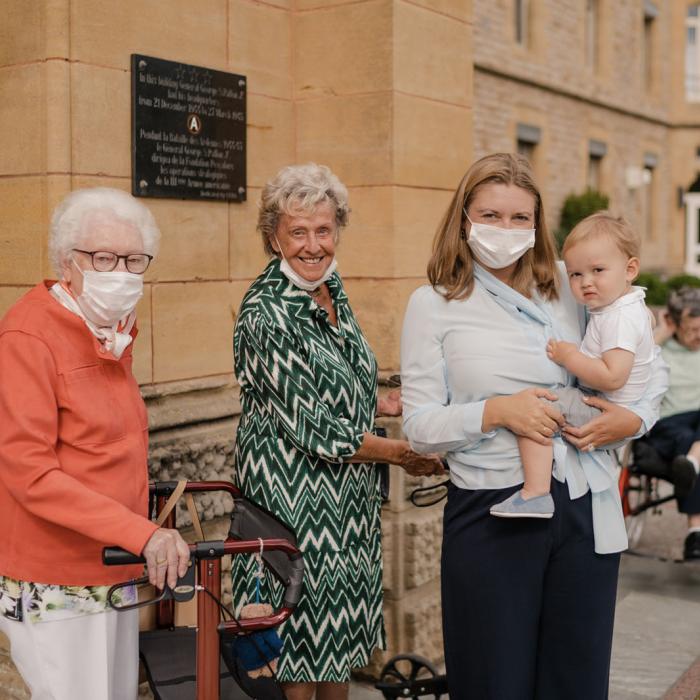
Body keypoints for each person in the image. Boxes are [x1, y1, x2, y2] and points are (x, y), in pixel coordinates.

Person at [400, 153, 668, 699]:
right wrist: (498, 411)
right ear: (464, 218)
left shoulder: (573, 293)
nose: (506, 229)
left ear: (537, 223)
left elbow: (646, 365)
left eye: (521, 218)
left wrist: (635, 418)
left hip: (584, 507)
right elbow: (422, 426)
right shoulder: (433, 304)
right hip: (495, 508)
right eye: (491, 215)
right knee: (495, 681)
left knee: (577, 681)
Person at [232, 163, 443, 700]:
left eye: (323, 229)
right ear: (273, 234)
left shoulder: (329, 290)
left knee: (338, 646)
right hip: (293, 503)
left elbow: (337, 381)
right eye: (297, 231)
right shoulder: (267, 312)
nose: (312, 244)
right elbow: (318, 430)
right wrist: (402, 452)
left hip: (345, 504)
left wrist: (381, 399)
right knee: (300, 647)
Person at [0, 188, 190, 700]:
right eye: (102, 258)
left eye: (133, 260)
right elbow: (30, 473)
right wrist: (144, 533)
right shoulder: (30, 334)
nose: (120, 272)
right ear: (67, 262)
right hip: (57, 576)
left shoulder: (110, 329)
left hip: (112, 565)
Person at [490, 213, 655, 518]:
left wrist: (570, 358)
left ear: (630, 269)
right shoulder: (620, 305)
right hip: (609, 408)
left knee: (535, 408)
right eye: (576, 274)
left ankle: (535, 492)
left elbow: (613, 376)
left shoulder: (620, 318)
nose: (585, 282)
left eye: (597, 270)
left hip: (605, 408)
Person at [642, 287, 700, 559]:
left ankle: (695, 533)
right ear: (675, 323)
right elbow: (631, 365)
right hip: (669, 422)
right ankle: (695, 531)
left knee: (692, 445)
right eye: (692, 329)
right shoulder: (658, 347)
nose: (699, 335)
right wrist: (662, 333)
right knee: (687, 441)